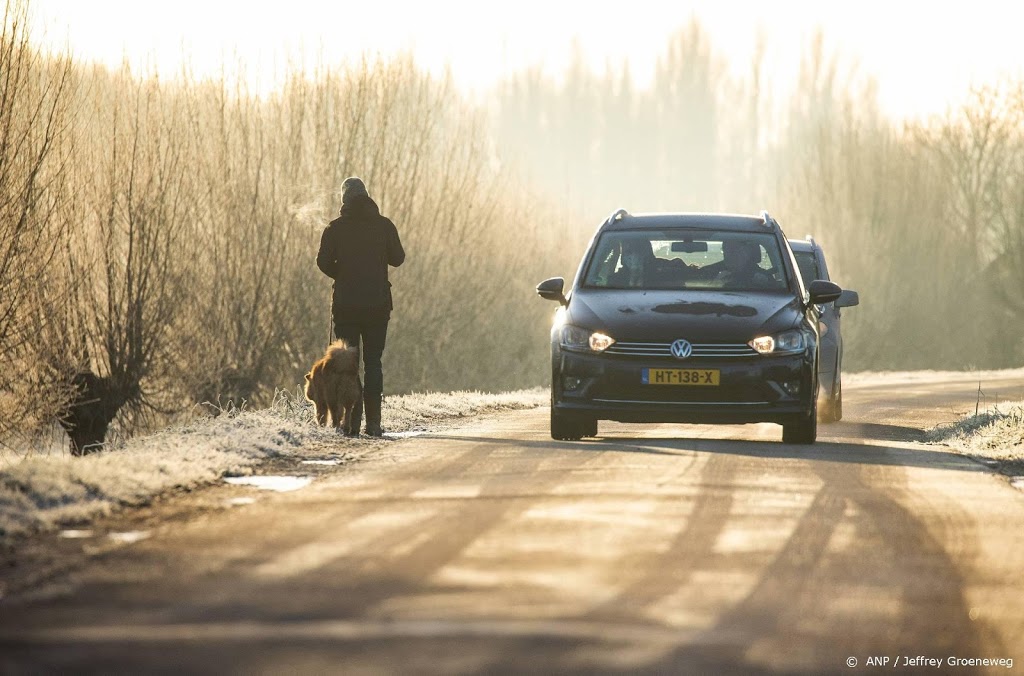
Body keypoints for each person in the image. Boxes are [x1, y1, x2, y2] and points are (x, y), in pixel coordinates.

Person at [316, 177, 405, 436]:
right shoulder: (384, 226)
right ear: (367, 196)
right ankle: (374, 423)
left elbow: (322, 262)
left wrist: (341, 275)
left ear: (344, 200)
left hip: (345, 306)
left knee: (347, 365)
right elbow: (398, 259)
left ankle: (350, 425)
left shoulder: (334, 228)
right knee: (373, 362)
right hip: (377, 305)